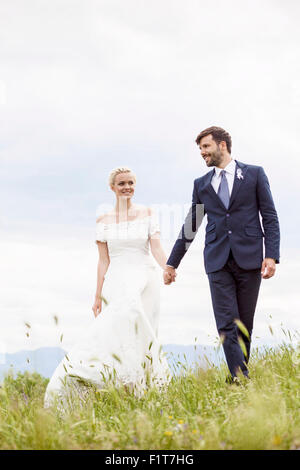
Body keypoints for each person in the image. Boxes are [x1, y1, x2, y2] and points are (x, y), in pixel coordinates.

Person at [44, 167, 170, 408]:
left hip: (146, 278)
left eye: (131, 183)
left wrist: (167, 267)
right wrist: (98, 296)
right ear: (112, 187)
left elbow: (156, 248)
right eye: (122, 183)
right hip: (117, 280)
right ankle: (103, 379)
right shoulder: (103, 221)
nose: (127, 187)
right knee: (116, 330)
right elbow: (103, 261)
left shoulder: (147, 213)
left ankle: (143, 391)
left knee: (143, 332)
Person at [164, 126, 280, 382]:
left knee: (244, 326)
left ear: (222, 145)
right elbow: (191, 226)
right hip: (217, 261)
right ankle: (241, 378)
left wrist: (271, 255)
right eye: (200, 149)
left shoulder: (254, 174)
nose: (202, 153)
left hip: (250, 258)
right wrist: (172, 264)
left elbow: (269, 217)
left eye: (206, 147)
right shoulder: (201, 184)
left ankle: (235, 379)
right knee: (227, 323)